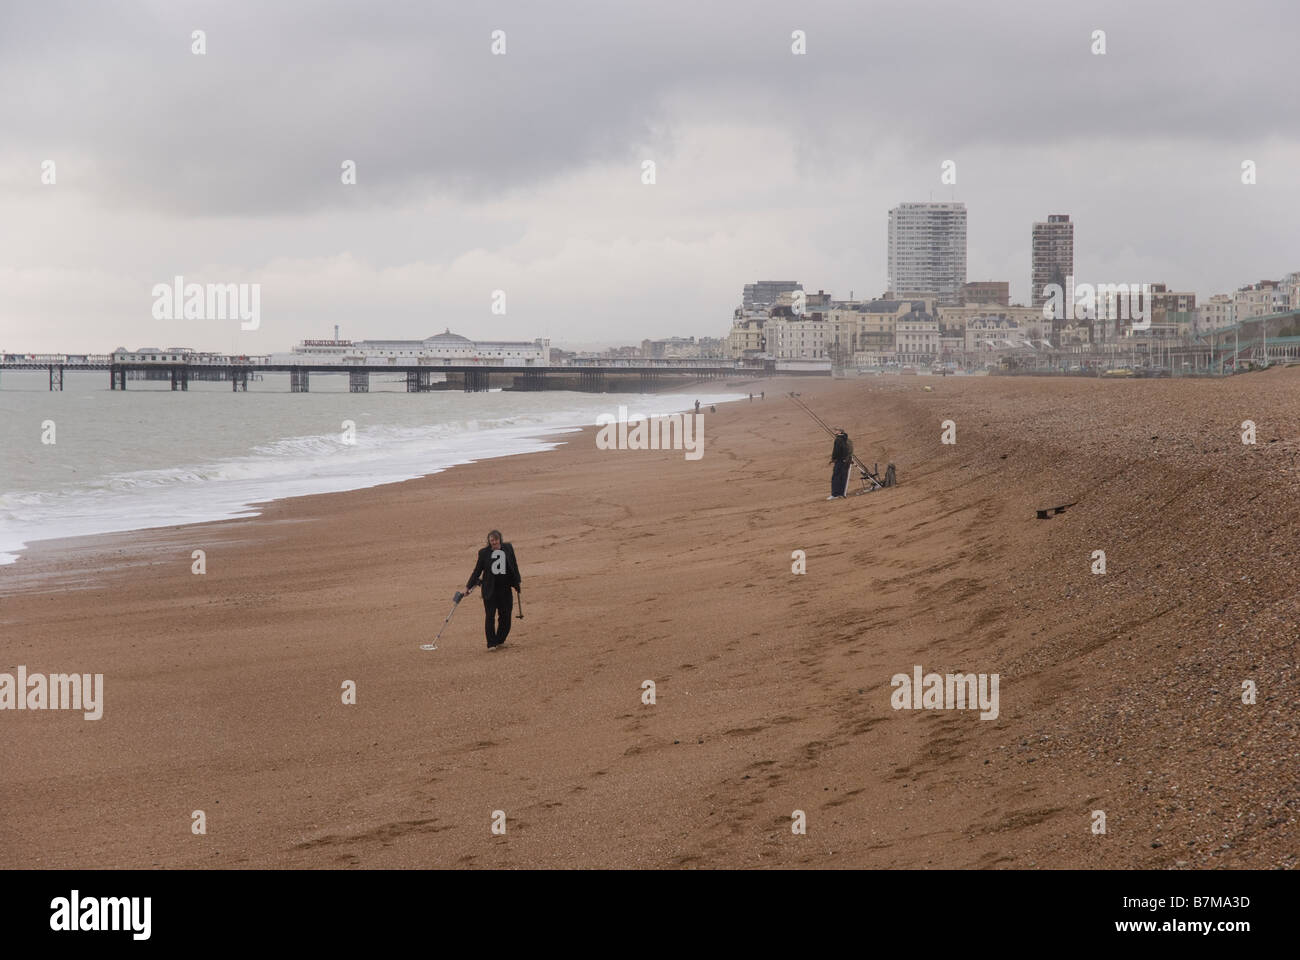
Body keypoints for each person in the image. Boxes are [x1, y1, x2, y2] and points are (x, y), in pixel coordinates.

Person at [466, 529, 521, 649]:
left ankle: (500, 640)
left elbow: (514, 565)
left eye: (496, 540)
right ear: (489, 541)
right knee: (490, 616)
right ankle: (491, 643)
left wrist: (517, 582)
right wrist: (468, 586)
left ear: (500, 540)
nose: (494, 543)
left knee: (506, 615)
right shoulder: (483, 553)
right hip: (490, 590)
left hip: (505, 589)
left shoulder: (508, 548)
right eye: (492, 541)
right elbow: (477, 571)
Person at [828, 429, 853, 500]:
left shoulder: (838, 439)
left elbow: (836, 451)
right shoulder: (847, 439)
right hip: (846, 461)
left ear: (840, 432)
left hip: (839, 461)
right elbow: (850, 450)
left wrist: (833, 459)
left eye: (837, 430)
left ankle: (835, 494)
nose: (835, 431)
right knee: (843, 477)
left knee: (836, 477)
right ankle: (842, 493)